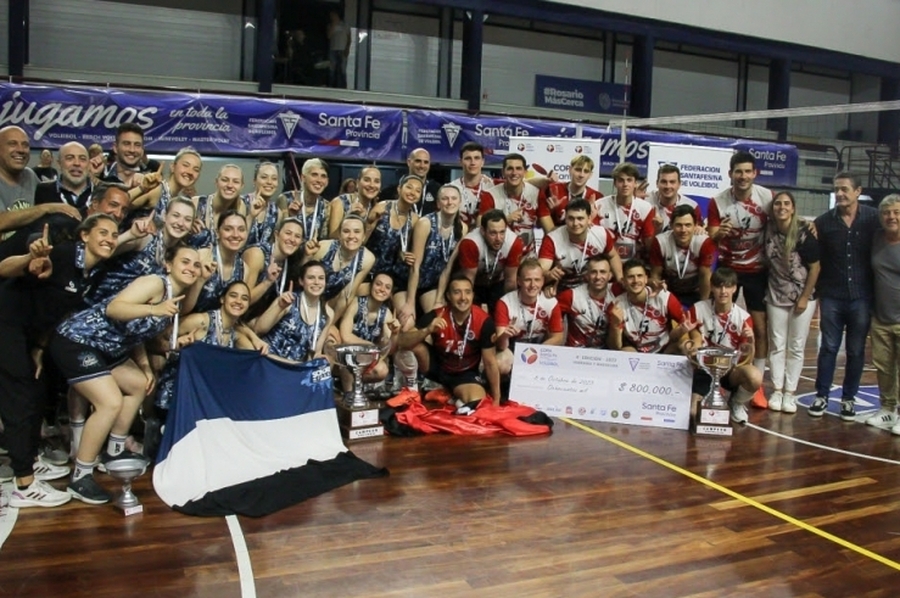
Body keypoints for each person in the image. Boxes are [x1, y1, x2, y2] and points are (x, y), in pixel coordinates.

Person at [49, 244, 201, 504]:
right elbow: (115, 309)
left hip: (107, 350)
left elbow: (134, 334)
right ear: (168, 264)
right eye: (185, 261)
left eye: (196, 265)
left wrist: (144, 367)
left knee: (139, 384)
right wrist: (154, 309)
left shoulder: (173, 301)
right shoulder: (155, 283)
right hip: (78, 340)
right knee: (109, 402)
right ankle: (81, 477)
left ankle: (114, 451)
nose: (191, 268)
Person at [0, 214, 120, 507]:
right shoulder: (63, 255)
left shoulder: (91, 272)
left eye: (114, 235)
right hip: (6, 324)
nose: (110, 239)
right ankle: (24, 485)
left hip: (27, 334)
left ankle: (29, 459)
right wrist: (30, 259)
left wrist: (40, 347)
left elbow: (52, 311)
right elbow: (5, 268)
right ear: (84, 236)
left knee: (37, 392)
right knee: (20, 400)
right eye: (102, 232)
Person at [808, 172, 881, 420]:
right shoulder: (822, 222)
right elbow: (815, 260)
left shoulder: (874, 219)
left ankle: (849, 399)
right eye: (836, 189)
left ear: (858, 192)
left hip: (862, 296)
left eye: (844, 189)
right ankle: (822, 395)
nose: (839, 193)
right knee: (828, 347)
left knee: (857, 350)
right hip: (831, 296)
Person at [707, 151, 773, 408]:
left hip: (757, 268)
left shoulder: (766, 197)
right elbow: (712, 236)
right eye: (738, 172)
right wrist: (719, 233)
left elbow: (783, 219)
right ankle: (720, 376)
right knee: (720, 323)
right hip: (729, 268)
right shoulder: (718, 201)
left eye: (748, 171)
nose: (743, 176)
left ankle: (758, 385)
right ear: (730, 174)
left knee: (759, 328)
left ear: (754, 173)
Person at [155, 281, 264, 414]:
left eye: (244, 298)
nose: (238, 301)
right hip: (175, 397)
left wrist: (258, 342)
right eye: (233, 295)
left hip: (202, 400)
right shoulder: (201, 322)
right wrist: (174, 345)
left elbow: (256, 357)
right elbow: (156, 340)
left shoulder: (235, 333)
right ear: (222, 299)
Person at [396, 274, 502, 406]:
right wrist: (427, 330)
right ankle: (414, 389)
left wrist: (497, 400)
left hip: (465, 374)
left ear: (473, 295)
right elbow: (401, 341)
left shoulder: (484, 320)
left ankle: (448, 394)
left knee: (477, 403)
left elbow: (490, 362)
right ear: (448, 296)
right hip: (437, 369)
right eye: (457, 292)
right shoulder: (437, 314)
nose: (463, 298)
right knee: (413, 345)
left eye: (467, 292)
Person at [763, 191, 820, 414]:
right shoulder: (767, 228)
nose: (782, 207)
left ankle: (790, 393)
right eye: (778, 203)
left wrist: (805, 297)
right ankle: (777, 390)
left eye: (787, 204)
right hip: (776, 292)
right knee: (777, 344)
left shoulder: (805, 233)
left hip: (803, 295)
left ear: (794, 208)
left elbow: (815, 267)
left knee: (796, 346)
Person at [682, 267, 762, 424]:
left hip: (728, 371)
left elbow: (747, 359)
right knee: (693, 415)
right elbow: (691, 339)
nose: (723, 291)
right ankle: (698, 396)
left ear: (734, 289)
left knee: (754, 377)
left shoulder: (743, 318)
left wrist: (751, 341)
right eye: (719, 286)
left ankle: (736, 403)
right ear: (712, 287)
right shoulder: (698, 309)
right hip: (703, 369)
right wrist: (691, 348)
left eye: (728, 286)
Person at [438, 209, 525, 312]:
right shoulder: (470, 243)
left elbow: (510, 281)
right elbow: (468, 282)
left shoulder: (514, 243)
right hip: (474, 284)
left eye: (502, 232)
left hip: (496, 282)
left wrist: (510, 311)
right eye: (493, 233)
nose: (498, 238)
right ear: (483, 231)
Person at [864, 195, 900, 433]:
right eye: (887, 213)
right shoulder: (876, 238)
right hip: (881, 318)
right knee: (884, 367)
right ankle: (887, 409)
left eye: (896, 212)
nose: (891, 217)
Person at [0, 125, 76, 236]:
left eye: (25, 145)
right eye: (12, 144)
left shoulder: (29, 175)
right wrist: (47, 208)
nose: (21, 150)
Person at [493, 259, 564, 378]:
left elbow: (558, 337)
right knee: (500, 363)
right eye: (528, 280)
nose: (533, 285)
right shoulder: (505, 303)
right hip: (512, 348)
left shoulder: (551, 303)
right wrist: (505, 335)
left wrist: (536, 352)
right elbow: (501, 345)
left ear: (542, 281)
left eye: (537, 280)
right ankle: (505, 389)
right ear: (519, 281)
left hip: (540, 348)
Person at [255, 260, 336, 363]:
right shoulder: (288, 300)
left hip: (295, 369)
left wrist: (319, 358)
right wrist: (279, 307)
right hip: (269, 361)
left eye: (321, 278)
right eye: (311, 278)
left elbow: (315, 351)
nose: (316, 282)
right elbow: (259, 329)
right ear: (301, 281)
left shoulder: (328, 313)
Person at [366, 175, 421, 322]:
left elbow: (405, 249)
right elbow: (363, 241)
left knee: (407, 321)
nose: (412, 192)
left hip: (394, 277)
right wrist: (370, 225)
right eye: (409, 187)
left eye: (417, 190)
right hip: (370, 272)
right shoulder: (382, 207)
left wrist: (403, 255)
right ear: (399, 188)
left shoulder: (415, 220)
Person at [406, 184, 466, 317]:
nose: (450, 202)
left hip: (431, 284)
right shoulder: (425, 223)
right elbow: (415, 266)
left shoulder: (462, 228)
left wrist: (439, 298)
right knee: (407, 321)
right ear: (438, 203)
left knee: (439, 318)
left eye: (454, 198)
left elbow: (447, 267)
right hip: (408, 281)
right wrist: (410, 303)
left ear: (460, 202)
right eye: (445, 199)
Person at [538, 198, 621, 294]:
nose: (575, 224)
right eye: (571, 218)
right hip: (564, 288)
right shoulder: (552, 239)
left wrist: (620, 279)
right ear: (565, 218)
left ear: (589, 219)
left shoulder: (601, 234)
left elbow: (613, 256)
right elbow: (541, 270)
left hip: (593, 286)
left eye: (580, 218)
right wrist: (549, 274)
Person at [304, 214, 375, 322]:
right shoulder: (323, 248)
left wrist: (330, 325)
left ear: (364, 236)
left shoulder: (367, 259)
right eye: (346, 231)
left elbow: (348, 296)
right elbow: (300, 278)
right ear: (339, 235)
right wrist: (307, 256)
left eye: (357, 232)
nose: (351, 236)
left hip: (329, 304)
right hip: (307, 297)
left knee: (346, 291)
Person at [607, 258, 686, 354]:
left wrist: (681, 331)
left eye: (639, 276)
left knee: (680, 347)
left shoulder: (665, 297)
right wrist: (615, 326)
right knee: (625, 352)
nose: (635, 280)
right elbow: (614, 347)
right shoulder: (617, 305)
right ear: (623, 281)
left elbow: (684, 323)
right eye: (630, 277)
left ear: (646, 279)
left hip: (665, 348)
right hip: (635, 350)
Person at [337, 272, 401, 390]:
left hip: (366, 356)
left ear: (390, 293)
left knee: (382, 370)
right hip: (346, 354)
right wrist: (369, 346)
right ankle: (349, 392)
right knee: (349, 357)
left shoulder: (386, 313)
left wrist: (395, 334)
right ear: (371, 286)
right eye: (378, 284)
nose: (382, 289)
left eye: (387, 287)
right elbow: (345, 336)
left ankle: (355, 388)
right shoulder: (356, 303)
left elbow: (388, 350)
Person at [649, 204, 716, 307]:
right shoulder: (660, 242)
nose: (683, 230)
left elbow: (705, 275)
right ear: (671, 225)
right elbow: (656, 274)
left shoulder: (704, 242)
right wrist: (657, 299)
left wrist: (704, 305)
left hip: (696, 290)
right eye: (678, 225)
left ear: (695, 225)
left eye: (688, 225)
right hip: (669, 288)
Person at [479, 153, 544, 255]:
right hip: (498, 256)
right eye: (510, 169)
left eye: (518, 168)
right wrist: (506, 220)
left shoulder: (536, 193)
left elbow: (548, 227)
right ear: (503, 172)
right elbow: (480, 227)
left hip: (527, 257)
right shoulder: (490, 195)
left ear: (525, 172)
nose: (514, 173)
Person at [190, 211, 250, 314]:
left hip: (218, 326)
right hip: (189, 323)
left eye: (241, 230)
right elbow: (181, 306)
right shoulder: (201, 256)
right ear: (217, 233)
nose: (236, 235)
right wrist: (200, 280)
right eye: (228, 229)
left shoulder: (244, 269)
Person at [594, 162, 656, 260]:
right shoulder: (599, 205)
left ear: (635, 183)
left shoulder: (646, 208)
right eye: (621, 180)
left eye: (629, 180)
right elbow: (594, 239)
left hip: (634, 263)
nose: (625, 184)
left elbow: (649, 245)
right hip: (605, 260)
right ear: (615, 183)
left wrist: (657, 229)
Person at [557, 254, 619, 348]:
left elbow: (638, 289)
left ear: (610, 275)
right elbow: (549, 313)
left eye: (603, 272)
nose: (598, 277)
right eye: (593, 272)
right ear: (586, 275)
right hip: (575, 353)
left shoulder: (616, 291)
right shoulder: (571, 295)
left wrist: (649, 292)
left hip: (606, 354)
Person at [244, 216, 305, 310]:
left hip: (258, 314)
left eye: (297, 236)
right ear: (276, 235)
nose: (292, 239)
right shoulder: (257, 255)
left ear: (301, 242)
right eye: (288, 233)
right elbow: (242, 300)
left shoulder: (289, 261)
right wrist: (267, 282)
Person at [129, 147, 203, 221]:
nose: (190, 172)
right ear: (172, 167)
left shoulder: (176, 199)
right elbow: (122, 204)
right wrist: (142, 188)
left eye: (196, 170)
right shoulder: (157, 190)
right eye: (185, 165)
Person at [538, 154, 603, 233]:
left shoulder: (597, 197)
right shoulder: (551, 190)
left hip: (581, 244)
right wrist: (552, 211)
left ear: (590, 175)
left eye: (586, 171)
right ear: (570, 170)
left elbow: (593, 233)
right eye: (578, 170)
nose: (581, 175)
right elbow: (548, 231)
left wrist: (590, 218)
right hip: (555, 243)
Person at [191, 163, 246, 249]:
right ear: (216, 182)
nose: (230, 185)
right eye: (225, 180)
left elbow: (240, 244)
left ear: (242, 186)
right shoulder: (196, 203)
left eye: (236, 182)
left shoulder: (241, 207)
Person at [33, 142, 93, 212]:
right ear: (59, 164)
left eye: (82, 159)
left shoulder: (101, 192)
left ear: (88, 164)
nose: (77, 163)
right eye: (70, 158)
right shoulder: (43, 190)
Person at [382, 148, 442, 216]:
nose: (422, 166)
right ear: (409, 162)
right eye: (418, 161)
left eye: (426, 162)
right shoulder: (390, 191)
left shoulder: (437, 189)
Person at [449, 142, 496, 227]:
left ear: (483, 162)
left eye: (477, 158)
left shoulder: (493, 186)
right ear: (460, 162)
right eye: (468, 158)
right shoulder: (450, 189)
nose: (472, 162)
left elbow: (522, 182)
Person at [646, 164, 702, 234]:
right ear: (657, 183)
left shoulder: (692, 206)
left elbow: (698, 231)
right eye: (664, 182)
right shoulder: (645, 201)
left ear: (679, 184)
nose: (668, 186)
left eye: (672, 182)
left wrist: (699, 230)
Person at [286, 158, 332, 243]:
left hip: (315, 253)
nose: (319, 180)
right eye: (314, 175)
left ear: (327, 182)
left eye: (323, 176)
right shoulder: (286, 199)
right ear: (303, 178)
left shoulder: (327, 206)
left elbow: (325, 239)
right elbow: (278, 233)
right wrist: (291, 217)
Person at [329, 166, 381, 238]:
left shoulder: (376, 208)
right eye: (367, 180)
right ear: (357, 183)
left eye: (376, 181)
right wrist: (348, 216)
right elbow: (332, 238)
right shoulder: (340, 202)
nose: (372, 185)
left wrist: (370, 224)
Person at [97, 122, 150, 190]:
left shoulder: (151, 182)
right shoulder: (101, 178)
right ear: (115, 148)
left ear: (142, 150)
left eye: (137, 145)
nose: (132, 150)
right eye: (126, 144)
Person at [243, 162, 284, 246]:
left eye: (274, 178)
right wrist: (251, 216)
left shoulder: (277, 213)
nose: (269, 182)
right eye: (264, 177)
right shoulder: (241, 203)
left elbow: (273, 247)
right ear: (254, 181)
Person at [327, 10, 351, 89]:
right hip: (333, 49)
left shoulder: (345, 25)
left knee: (342, 69)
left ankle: (343, 86)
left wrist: (347, 48)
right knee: (332, 68)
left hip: (342, 49)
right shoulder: (330, 25)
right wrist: (333, 24)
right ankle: (331, 85)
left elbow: (349, 38)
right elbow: (329, 36)